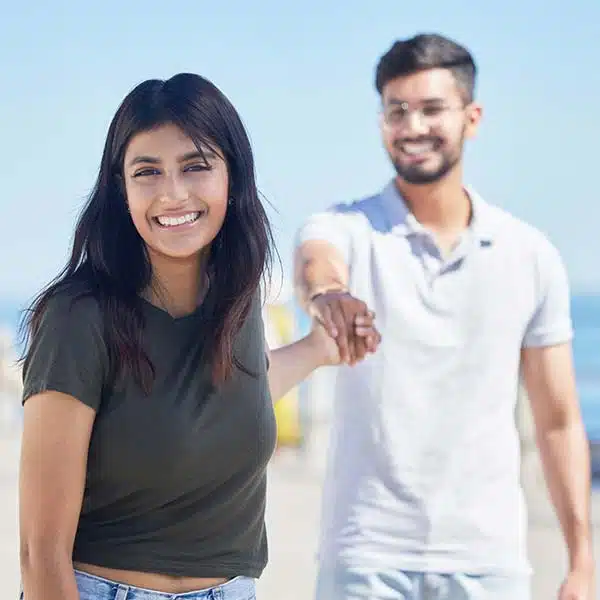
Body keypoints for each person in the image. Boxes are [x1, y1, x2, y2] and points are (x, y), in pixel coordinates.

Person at [17, 73, 381, 600]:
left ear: (232, 178)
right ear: (121, 189)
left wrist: (319, 350)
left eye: (195, 166)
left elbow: (223, 396)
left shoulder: (235, 299)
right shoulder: (79, 317)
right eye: (147, 172)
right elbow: (39, 553)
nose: (172, 193)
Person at [294, 33, 594, 600]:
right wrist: (329, 295)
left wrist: (582, 559)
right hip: (366, 559)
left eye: (432, 109)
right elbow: (317, 263)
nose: (412, 127)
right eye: (396, 110)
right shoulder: (346, 228)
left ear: (471, 117)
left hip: (490, 561)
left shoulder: (529, 254)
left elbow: (557, 419)